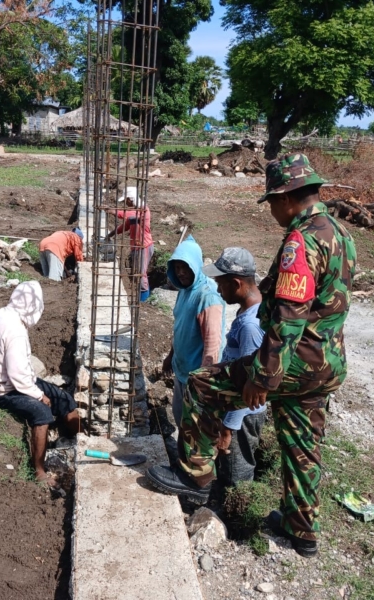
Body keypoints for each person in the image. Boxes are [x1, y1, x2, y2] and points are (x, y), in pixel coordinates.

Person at [146, 153, 357, 559]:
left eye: (273, 202)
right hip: (328, 363)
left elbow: (289, 317)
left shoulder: (302, 240)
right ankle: (303, 529)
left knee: (203, 383)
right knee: (303, 443)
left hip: (296, 360)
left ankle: (194, 475)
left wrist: (263, 378)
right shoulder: (340, 233)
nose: (273, 211)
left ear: (286, 196)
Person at [0, 281, 82, 486]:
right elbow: (18, 375)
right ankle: (39, 471)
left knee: (64, 398)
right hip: (4, 390)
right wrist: (39, 395)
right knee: (42, 413)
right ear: (33, 306)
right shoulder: (16, 331)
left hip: (17, 382)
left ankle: (76, 439)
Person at [201, 247, 266, 487]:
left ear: (236, 283)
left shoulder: (251, 326)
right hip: (233, 411)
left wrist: (228, 427)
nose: (218, 290)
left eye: (221, 284)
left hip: (241, 415)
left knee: (237, 470)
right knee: (227, 466)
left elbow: (249, 385)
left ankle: (234, 512)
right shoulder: (248, 310)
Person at [161, 235, 225, 428]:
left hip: (197, 379)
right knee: (181, 419)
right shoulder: (184, 290)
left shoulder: (207, 296)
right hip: (183, 372)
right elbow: (180, 327)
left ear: (195, 265)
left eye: (185, 267)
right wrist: (171, 356)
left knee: (195, 429)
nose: (180, 273)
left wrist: (203, 383)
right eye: (177, 268)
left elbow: (212, 346)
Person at [104, 187, 154, 302]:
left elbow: (128, 214)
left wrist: (113, 211)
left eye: (126, 200)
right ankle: (141, 296)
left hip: (144, 246)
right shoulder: (134, 212)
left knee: (141, 274)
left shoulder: (143, 209)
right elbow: (125, 226)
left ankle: (143, 301)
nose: (125, 203)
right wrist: (110, 235)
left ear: (130, 199)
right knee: (137, 273)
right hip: (136, 246)